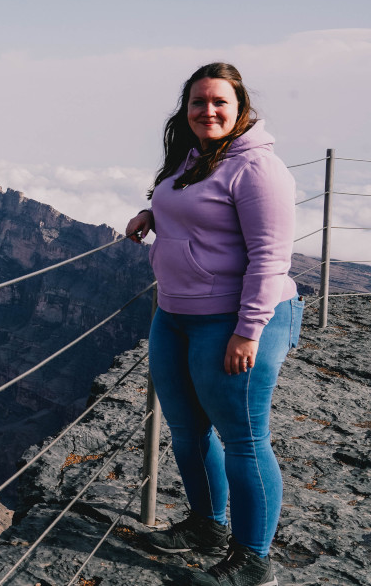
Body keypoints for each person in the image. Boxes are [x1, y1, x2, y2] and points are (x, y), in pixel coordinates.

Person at [125, 63, 303, 586]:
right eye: (198, 102)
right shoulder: (197, 157)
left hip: (233, 319)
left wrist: (248, 331)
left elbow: (270, 258)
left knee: (245, 439)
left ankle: (253, 562)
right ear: (186, 109)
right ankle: (206, 526)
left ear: (241, 106)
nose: (208, 111)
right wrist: (152, 214)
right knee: (186, 430)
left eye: (220, 102)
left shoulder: (259, 169)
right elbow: (200, 208)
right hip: (176, 314)